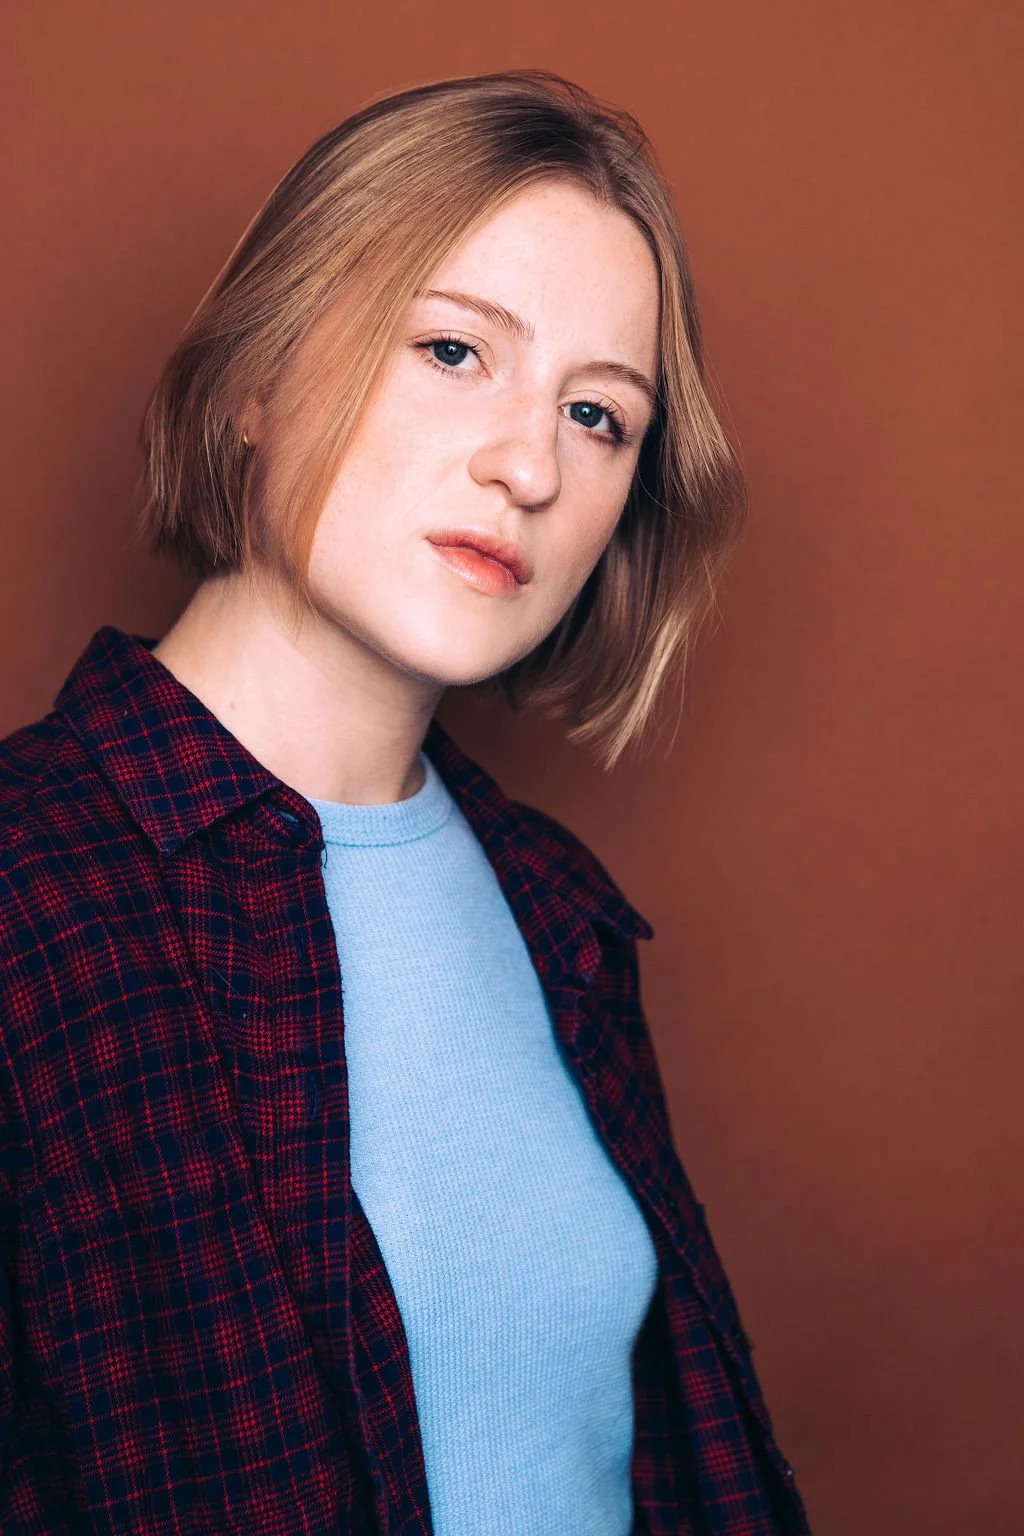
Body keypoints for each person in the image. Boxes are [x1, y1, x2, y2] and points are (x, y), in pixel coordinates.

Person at [0, 70, 811, 1536]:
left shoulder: (554, 913)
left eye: (597, 417)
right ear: (253, 380)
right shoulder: (29, 895)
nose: (526, 465)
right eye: (452, 350)